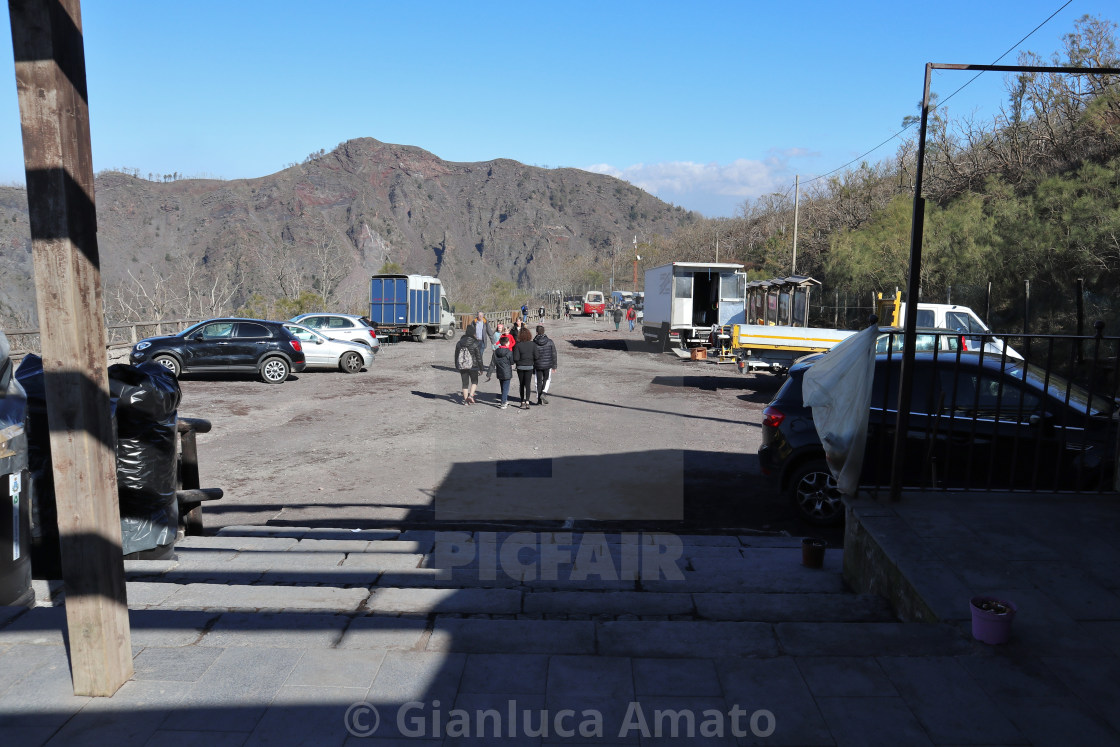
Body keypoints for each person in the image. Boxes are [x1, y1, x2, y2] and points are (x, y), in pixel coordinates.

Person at [485, 332, 515, 409]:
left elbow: (492, 364)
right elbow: (512, 362)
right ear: (507, 343)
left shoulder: (495, 352)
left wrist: (489, 374)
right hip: (507, 372)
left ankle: (504, 399)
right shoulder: (509, 352)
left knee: (502, 387)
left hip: (499, 372)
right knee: (506, 388)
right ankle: (503, 402)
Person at [454, 329, 483, 405]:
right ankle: (471, 395)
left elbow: (456, 355)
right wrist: (481, 368)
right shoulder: (475, 343)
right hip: (473, 366)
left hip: (462, 366)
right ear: (473, 334)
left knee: (465, 383)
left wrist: (457, 365)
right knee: (474, 381)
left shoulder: (459, 343)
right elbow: (479, 357)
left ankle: (466, 401)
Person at [531, 324, 558, 405]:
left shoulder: (534, 343)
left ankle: (538, 398)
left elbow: (532, 355)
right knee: (547, 379)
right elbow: (554, 354)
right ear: (544, 332)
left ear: (536, 332)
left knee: (538, 381)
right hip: (547, 365)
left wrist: (532, 366)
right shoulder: (550, 342)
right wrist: (554, 365)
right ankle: (544, 392)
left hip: (537, 365)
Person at [512, 327, 535, 409]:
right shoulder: (532, 344)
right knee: (528, 384)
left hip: (520, 367)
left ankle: (522, 401)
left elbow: (516, 358)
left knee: (521, 384)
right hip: (529, 366)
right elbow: (537, 356)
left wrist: (518, 363)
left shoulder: (518, 345)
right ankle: (527, 401)